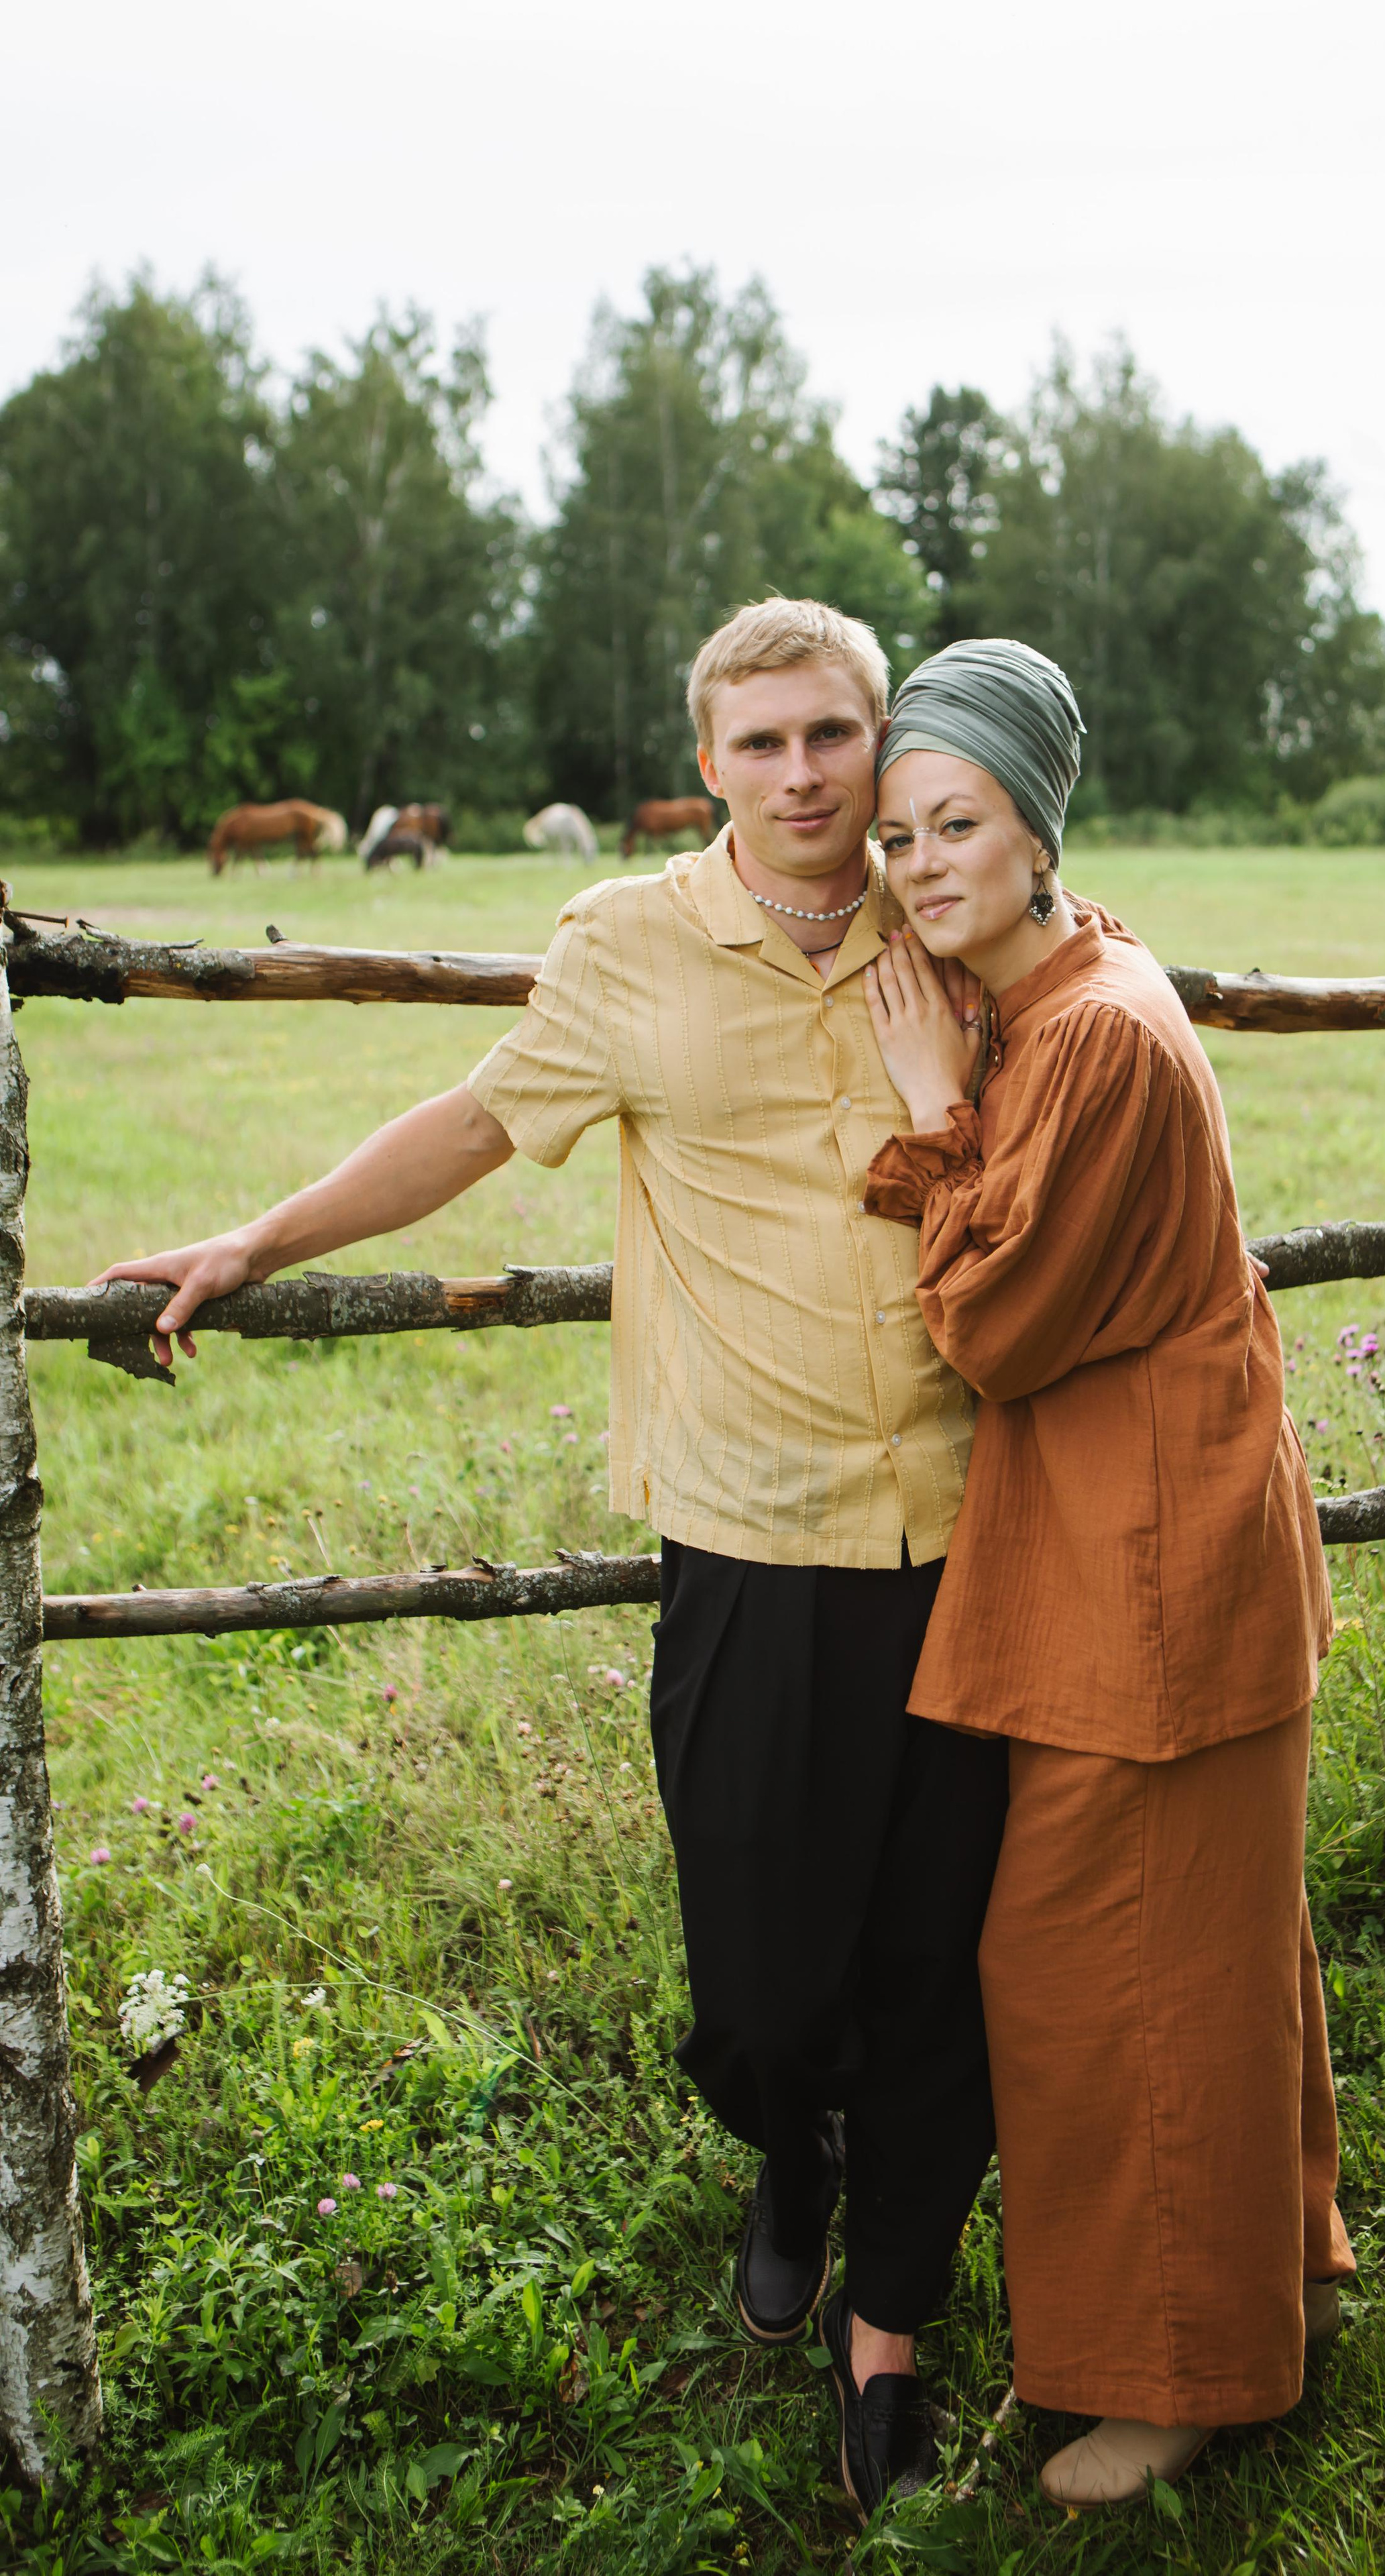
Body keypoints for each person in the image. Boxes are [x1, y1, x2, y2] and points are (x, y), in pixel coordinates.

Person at [94, 600, 1009, 2518]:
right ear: (708, 763)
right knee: (762, 1993)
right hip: (753, 1528)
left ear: (879, 735)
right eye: (758, 744)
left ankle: (893, 2330)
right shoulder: (630, 949)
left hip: (976, 1520)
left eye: (832, 735)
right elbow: (476, 1125)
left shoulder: (963, 915)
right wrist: (253, 1244)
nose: (803, 777)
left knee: (946, 1963)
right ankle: (790, 2153)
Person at [858, 637, 1355, 2510]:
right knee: (1209, 1946)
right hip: (1158, 1540)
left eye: (957, 821)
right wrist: (973, 1057)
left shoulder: (1093, 1031)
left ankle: (1176, 2383)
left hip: (1148, 1567)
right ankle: (1271, 2286)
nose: (920, 864)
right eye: (902, 832)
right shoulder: (1069, 987)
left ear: (1037, 821)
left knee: (1098, 1964)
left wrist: (929, 1105)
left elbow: (994, 1318)